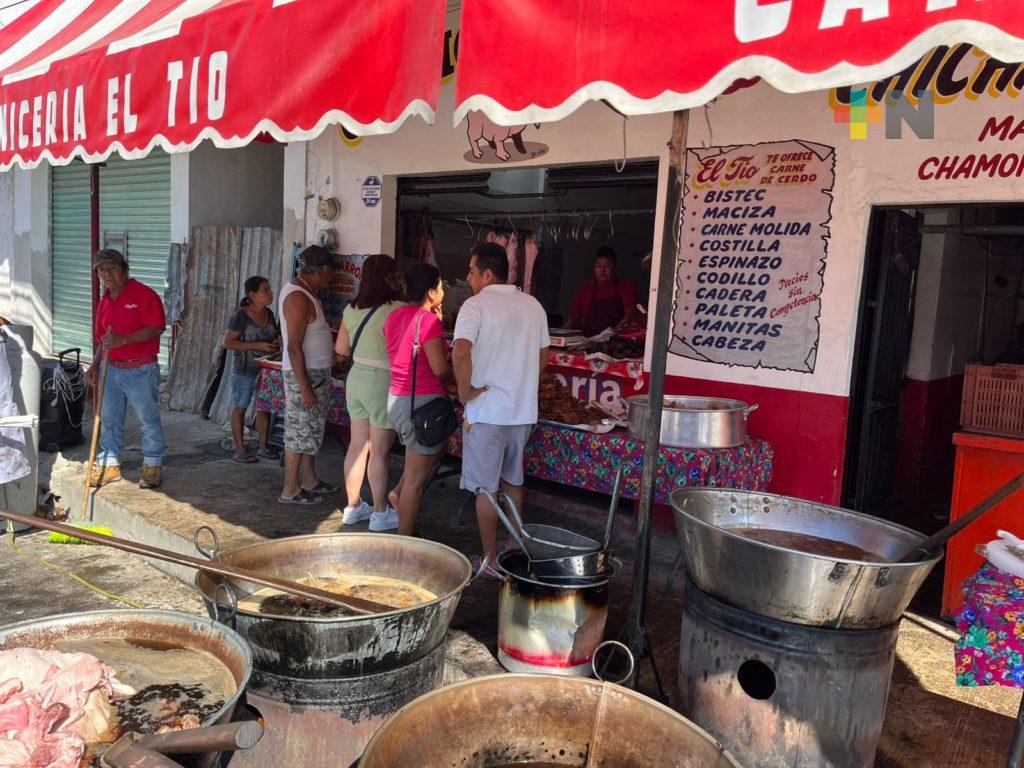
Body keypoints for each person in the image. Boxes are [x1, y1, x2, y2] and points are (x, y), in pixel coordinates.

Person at [453, 242, 550, 573]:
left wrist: (464, 391)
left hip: (487, 412)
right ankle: (514, 546)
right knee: (512, 481)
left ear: (487, 274)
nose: (468, 278)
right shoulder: (533, 305)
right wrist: (519, 381)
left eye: (471, 272)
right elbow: (543, 358)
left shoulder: (475, 306)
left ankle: (491, 560)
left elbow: (461, 351)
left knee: (486, 489)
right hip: (521, 412)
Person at [85, 248, 167, 489]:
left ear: (124, 269)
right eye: (101, 270)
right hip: (110, 369)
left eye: (112, 268)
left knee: (148, 420)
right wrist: (94, 365)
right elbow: (103, 340)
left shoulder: (144, 294)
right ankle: (110, 463)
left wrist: (125, 339)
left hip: (140, 369)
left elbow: (156, 328)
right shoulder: (105, 301)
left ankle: (152, 464)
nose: (107, 275)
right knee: (109, 419)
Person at [334, 254, 404, 530]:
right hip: (382, 381)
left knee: (357, 446)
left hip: (356, 380)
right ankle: (380, 513)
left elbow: (341, 349)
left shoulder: (351, 308)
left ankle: (352, 507)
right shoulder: (398, 308)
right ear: (392, 277)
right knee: (379, 452)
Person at [383, 264, 451, 535]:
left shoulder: (394, 316)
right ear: (431, 292)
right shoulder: (428, 322)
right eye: (441, 286)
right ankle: (405, 543)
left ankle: (398, 494)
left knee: (418, 464)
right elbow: (440, 369)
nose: (444, 291)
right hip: (422, 406)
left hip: (398, 399)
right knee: (415, 480)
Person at [278, 245, 339, 505]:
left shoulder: (307, 293)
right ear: (322, 270)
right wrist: (305, 387)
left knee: (311, 431)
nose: (331, 280)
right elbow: (293, 346)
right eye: (331, 274)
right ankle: (290, 489)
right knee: (298, 432)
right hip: (305, 375)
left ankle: (309, 480)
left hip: (314, 374)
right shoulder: (298, 297)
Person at [222, 276, 281, 463]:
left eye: (269, 289)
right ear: (252, 295)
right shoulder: (240, 316)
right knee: (240, 407)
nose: (270, 293)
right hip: (244, 370)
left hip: (266, 370)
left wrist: (276, 342)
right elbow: (228, 343)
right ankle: (239, 450)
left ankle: (263, 447)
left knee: (264, 407)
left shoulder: (269, 313)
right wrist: (257, 345)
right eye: (265, 290)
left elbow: (273, 337)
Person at [565, 246, 640, 337]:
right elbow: (575, 317)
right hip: (589, 340)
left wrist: (613, 334)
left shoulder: (627, 286)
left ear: (614, 266)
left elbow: (630, 316)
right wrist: (567, 327)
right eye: (598, 266)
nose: (602, 270)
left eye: (607, 266)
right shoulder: (585, 288)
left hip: (616, 340)